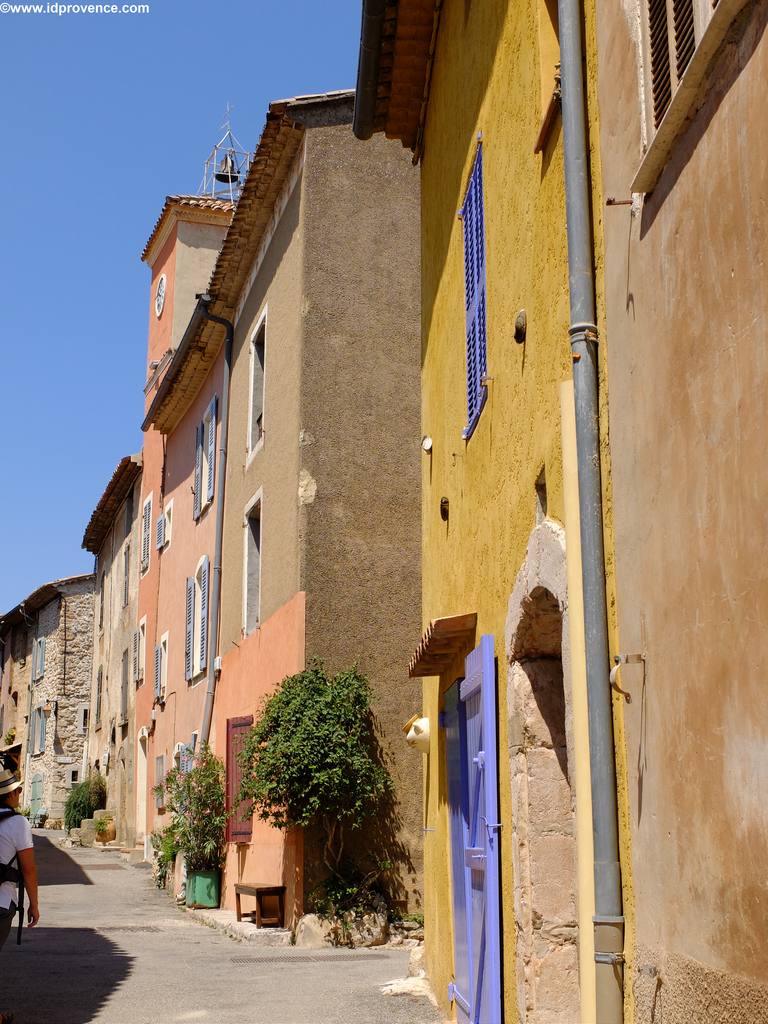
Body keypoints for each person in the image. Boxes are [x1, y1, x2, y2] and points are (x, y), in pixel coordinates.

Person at [0, 767, 39, 949]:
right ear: (11, 794)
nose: (19, 794)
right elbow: (28, 869)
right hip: (2, 900)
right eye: (18, 790)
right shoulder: (18, 823)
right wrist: (34, 904)